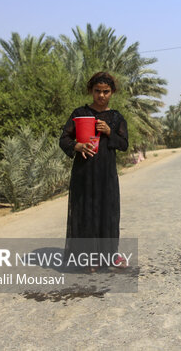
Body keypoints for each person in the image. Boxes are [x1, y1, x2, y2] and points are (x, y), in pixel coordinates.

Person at [59, 72, 129, 273]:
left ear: (112, 92)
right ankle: (88, 258)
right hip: (83, 174)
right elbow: (63, 139)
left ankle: (110, 255)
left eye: (106, 91)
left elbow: (124, 144)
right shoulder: (79, 114)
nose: (101, 95)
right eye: (97, 91)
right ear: (90, 91)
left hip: (106, 175)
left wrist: (109, 132)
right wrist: (77, 146)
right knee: (85, 212)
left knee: (108, 212)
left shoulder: (116, 118)